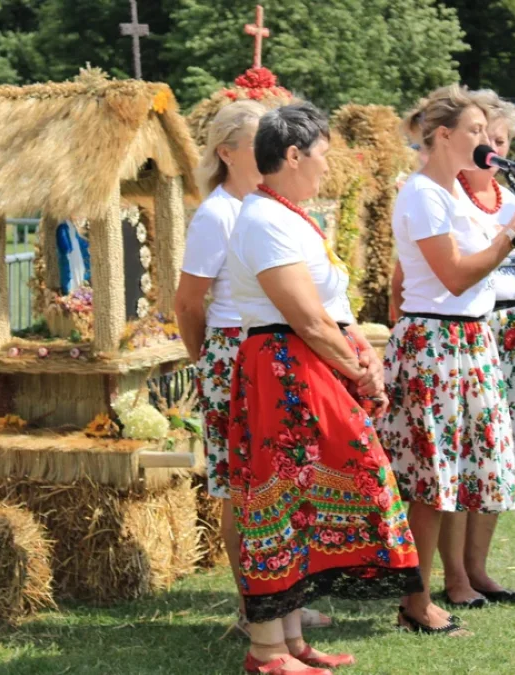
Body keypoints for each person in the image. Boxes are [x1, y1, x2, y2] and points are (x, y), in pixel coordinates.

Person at [226, 102, 421, 674]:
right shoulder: (263, 219)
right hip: (284, 366)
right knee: (280, 498)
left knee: (301, 501)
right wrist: (358, 369)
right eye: (323, 153)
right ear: (293, 155)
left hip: (304, 365)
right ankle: (266, 649)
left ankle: (288, 642)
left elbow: (331, 309)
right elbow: (307, 319)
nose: (327, 164)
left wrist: (363, 354)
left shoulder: (288, 214)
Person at [380, 84, 515, 634]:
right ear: (443, 135)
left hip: (469, 341)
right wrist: (511, 236)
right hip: (437, 343)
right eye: (474, 131)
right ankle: (416, 600)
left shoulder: (448, 193)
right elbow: (452, 276)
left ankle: (428, 592)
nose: (483, 140)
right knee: (431, 480)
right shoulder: (424, 193)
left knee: (450, 478)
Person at [175, 101, 335, 637]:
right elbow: (188, 301)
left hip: (264, 352)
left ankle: (282, 600)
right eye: (254, 138)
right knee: (243, 487)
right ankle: (254, 606)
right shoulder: (218, 213)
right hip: (232, 352)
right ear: (227, 152)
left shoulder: (269, 208)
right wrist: (209, 362)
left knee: (281, 483)